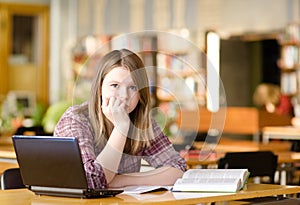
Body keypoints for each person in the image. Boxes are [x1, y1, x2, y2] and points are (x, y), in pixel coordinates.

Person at [54, 49, 186, 189]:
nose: (124, 96)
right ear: (100, 88)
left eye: (133, 87)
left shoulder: (141, 122)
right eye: (115, 85)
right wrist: (121, 128)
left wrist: (122, 180)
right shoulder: (75, 120)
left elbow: (178, 169)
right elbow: (91, 181)